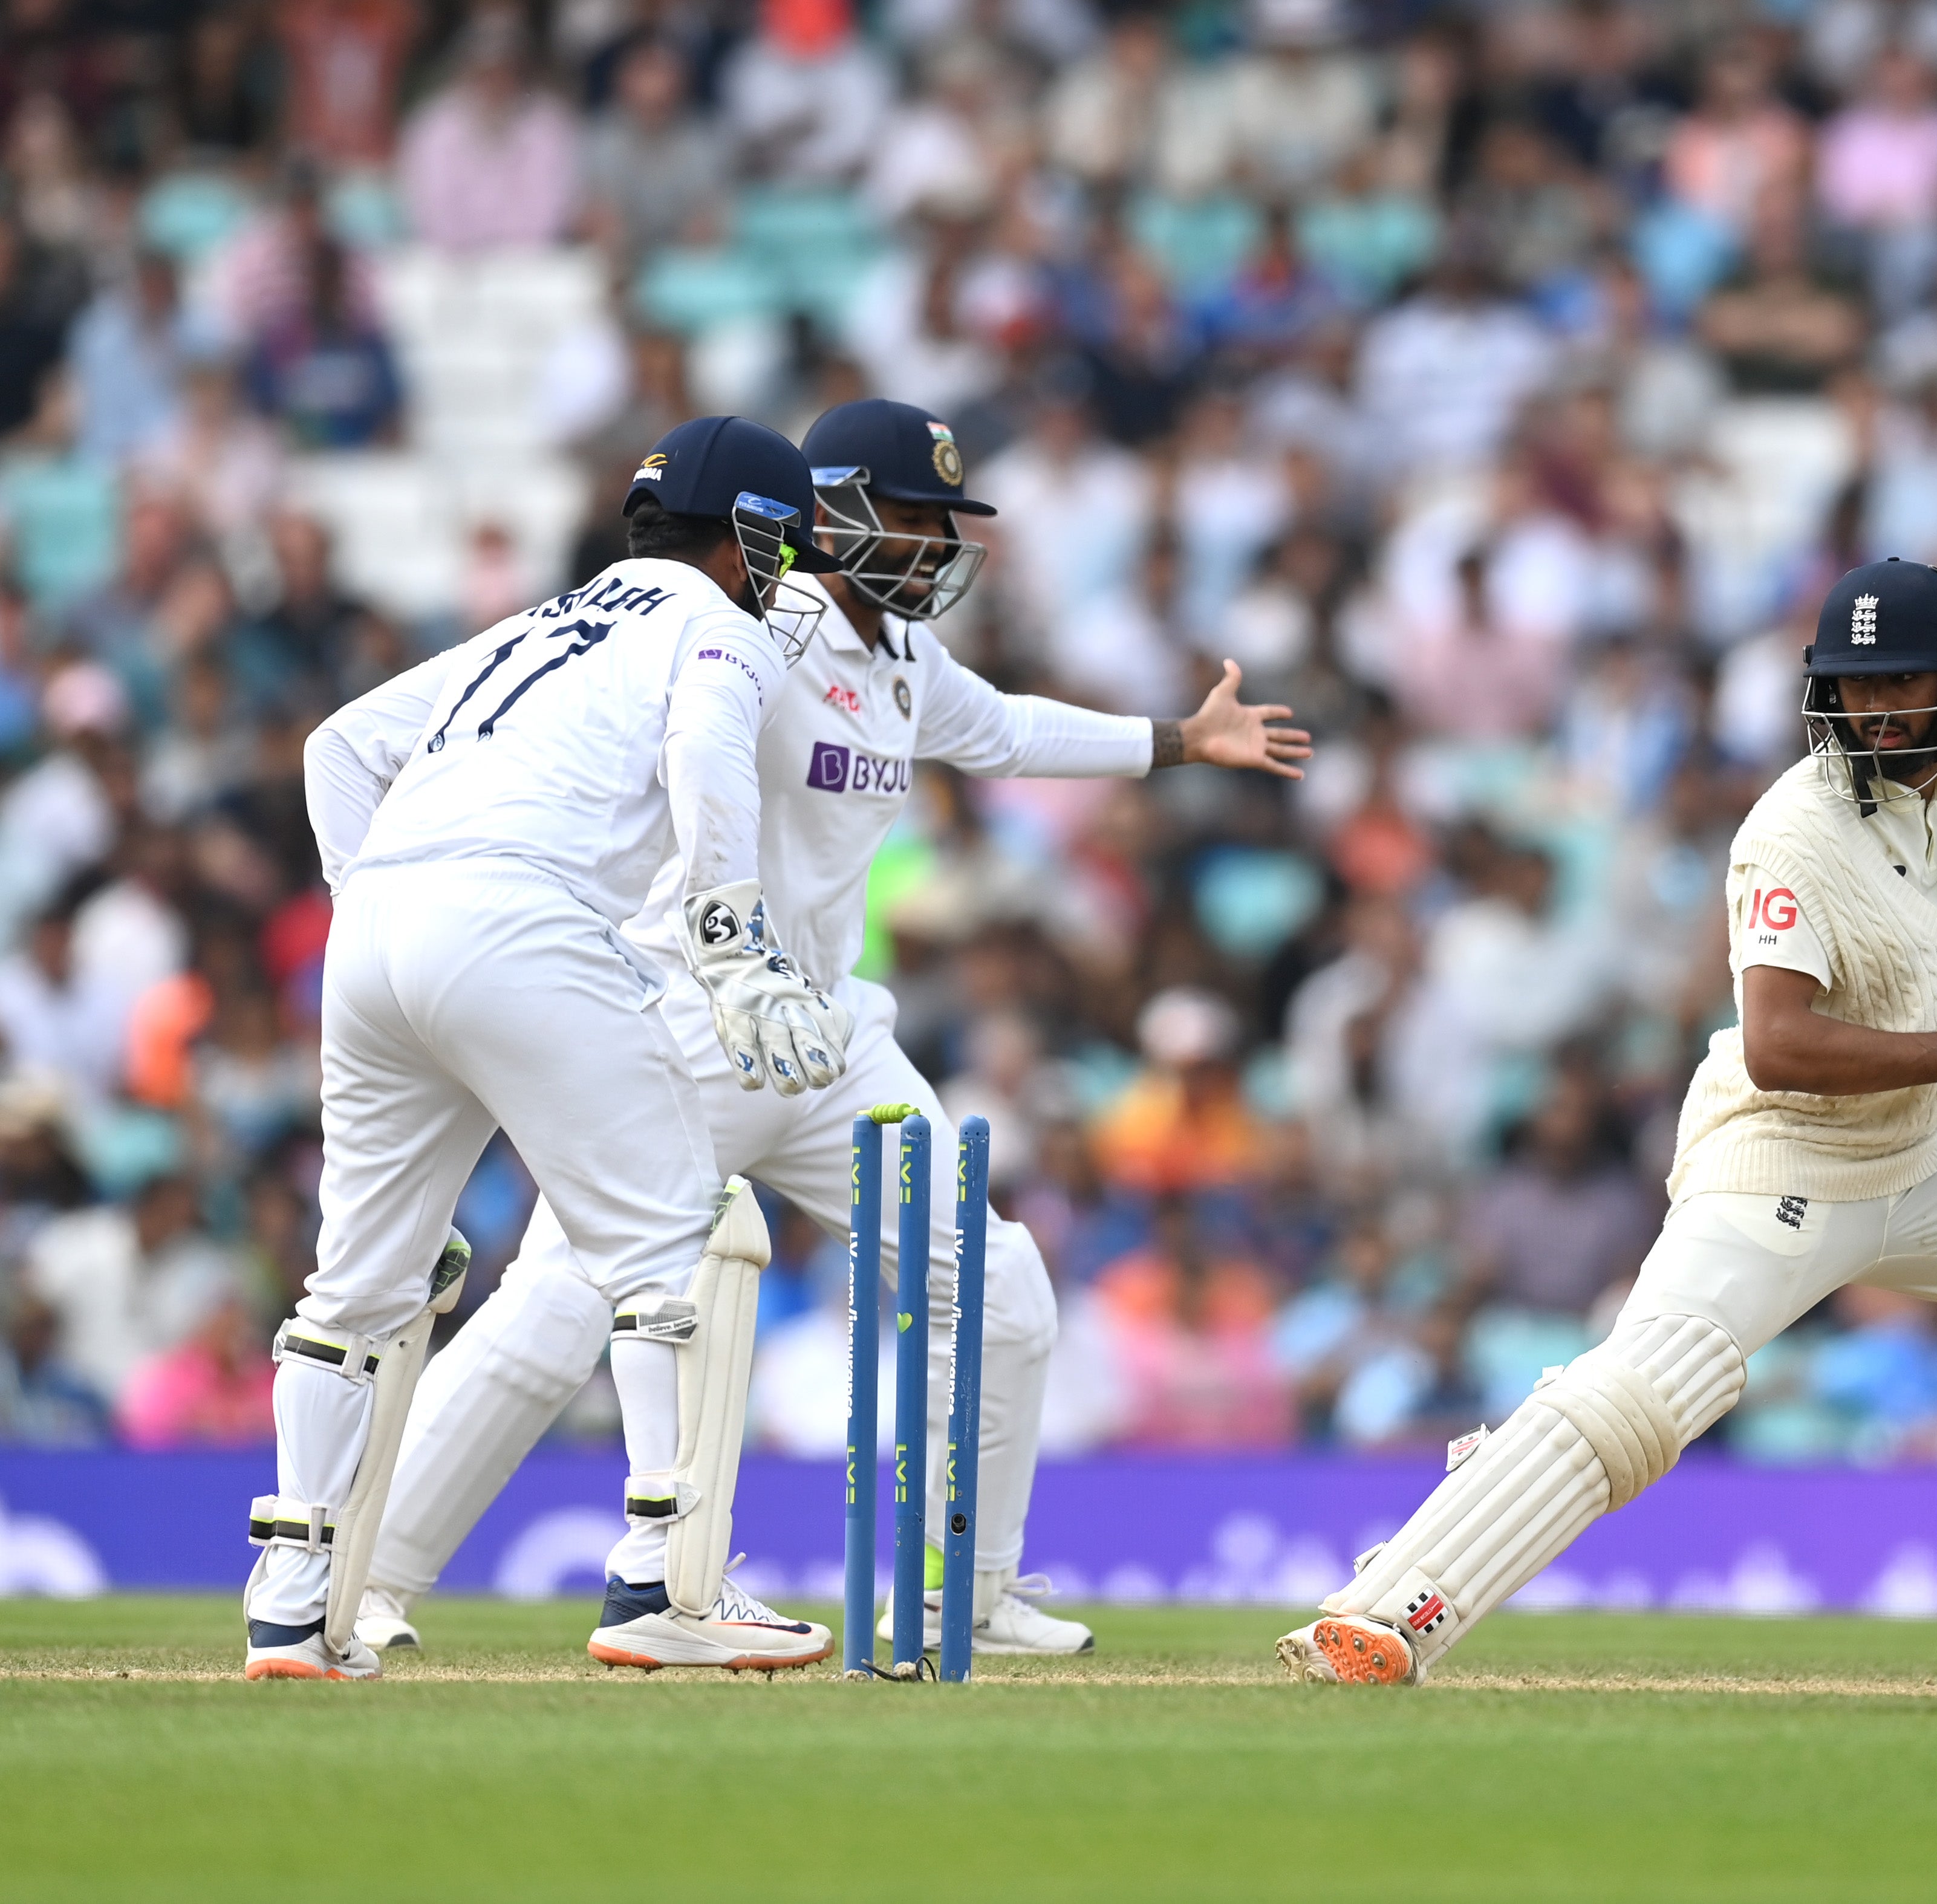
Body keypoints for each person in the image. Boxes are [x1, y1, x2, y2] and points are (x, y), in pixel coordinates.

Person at [355, 397, 1308, 1660]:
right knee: (558, 1310)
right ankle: (373, 1584)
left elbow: (1011, 733)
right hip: (692, 1020)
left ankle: (962, 1594)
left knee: (1003, 1287)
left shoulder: (904, 660)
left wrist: (1184, 740)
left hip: (829, 1042)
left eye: (945, 526)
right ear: (835, 514)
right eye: (914, 519)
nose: (934, 548)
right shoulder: (753, 635)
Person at [1278, 557, 1937, 1697]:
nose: (1879, 707)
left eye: (1906, 682)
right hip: (1780, 1159)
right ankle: (1391, 1605)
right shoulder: (1790, 833)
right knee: (1658, 1383)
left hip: (1914, 1158)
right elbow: (1776, 1042)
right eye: (1859, 686)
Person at [259, 414, 856, 1681]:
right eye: (790, 549)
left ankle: (294, 1601)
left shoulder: (536, 624)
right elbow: (703, 750)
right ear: (750, 539)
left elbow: (339, 747)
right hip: (526, 919)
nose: (796, 578)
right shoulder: (720, 628)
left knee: (356, 1288)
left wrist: (375, 900)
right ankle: (668, 1581)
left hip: (372, 928)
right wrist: (734, 941)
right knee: (677, 1246)